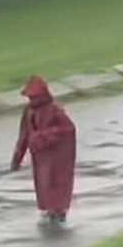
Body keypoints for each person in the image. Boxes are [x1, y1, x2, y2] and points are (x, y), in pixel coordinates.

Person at [10, 75, 77, 226]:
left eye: (34, 97)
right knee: (44, 183)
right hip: (41, 156)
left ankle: (59, 211)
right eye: (30, 98)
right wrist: (16, 159)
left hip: (58, 156)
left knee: (58, 182)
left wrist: (43, 136)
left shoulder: (54, 109)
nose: (32, 101)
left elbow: (68, 128)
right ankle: (50, 210)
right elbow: (24, 135)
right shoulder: (28, 111)